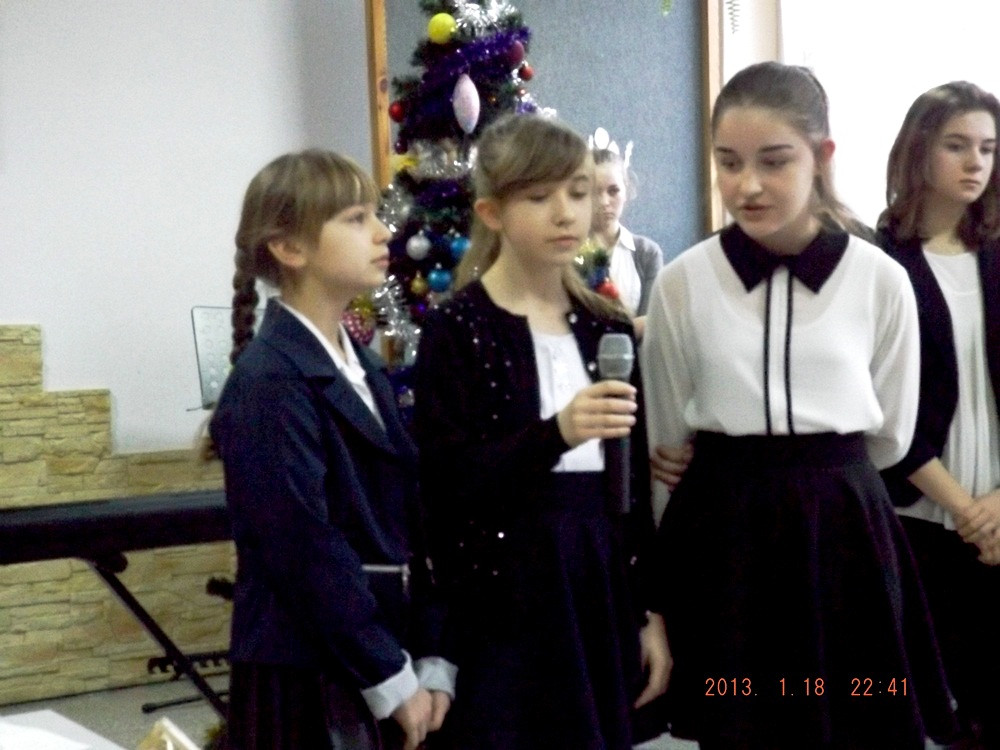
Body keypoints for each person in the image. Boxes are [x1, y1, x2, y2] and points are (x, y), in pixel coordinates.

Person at [640, 62, 958, 749]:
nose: (747, 185)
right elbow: (665, 434)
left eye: (774, 161)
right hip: (724, 531)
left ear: (822, 155)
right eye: (729, 163)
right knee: (740, 716)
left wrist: (818, 469)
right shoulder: (682, 283)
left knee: (854, 712)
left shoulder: (881, 280)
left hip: (841, 527)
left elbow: (892, 432)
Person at [412, 113, 671, 750]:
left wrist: (649, 611)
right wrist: (555, 434)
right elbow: (447, 486)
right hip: (504, 595)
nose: (566, 213)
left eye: (579, 193)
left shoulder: (605, 325)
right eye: (539, 197)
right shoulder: (459, 329)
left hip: (596, 583)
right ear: (493, 212)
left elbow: (632, 493)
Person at [208, 150, 453, 750]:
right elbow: (305, 549)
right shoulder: (270, 381)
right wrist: (389, 676)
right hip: (308, 679)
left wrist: (432, 656)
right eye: (355, 218)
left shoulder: (363, 368)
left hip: (375, 653)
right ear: (289, 248)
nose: (383, 232)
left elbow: (409, 524)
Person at [877, 80, 1000, 749]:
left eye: (988, 148)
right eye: (957, 145)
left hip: (999, 509)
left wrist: (995, 507)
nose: (975, 162)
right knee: (930, 708)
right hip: (920, 511)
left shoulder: (999, 252)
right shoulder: (878, 262)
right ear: (919, 150)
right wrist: (966, 510)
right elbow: (878, 408)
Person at [591, 145, 664, 339]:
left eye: (613, 191)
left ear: (626, 191)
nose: (604, 201)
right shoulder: (569, 252)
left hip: (636, 356)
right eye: (594, 192)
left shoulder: (647, 253)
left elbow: (653, 321)